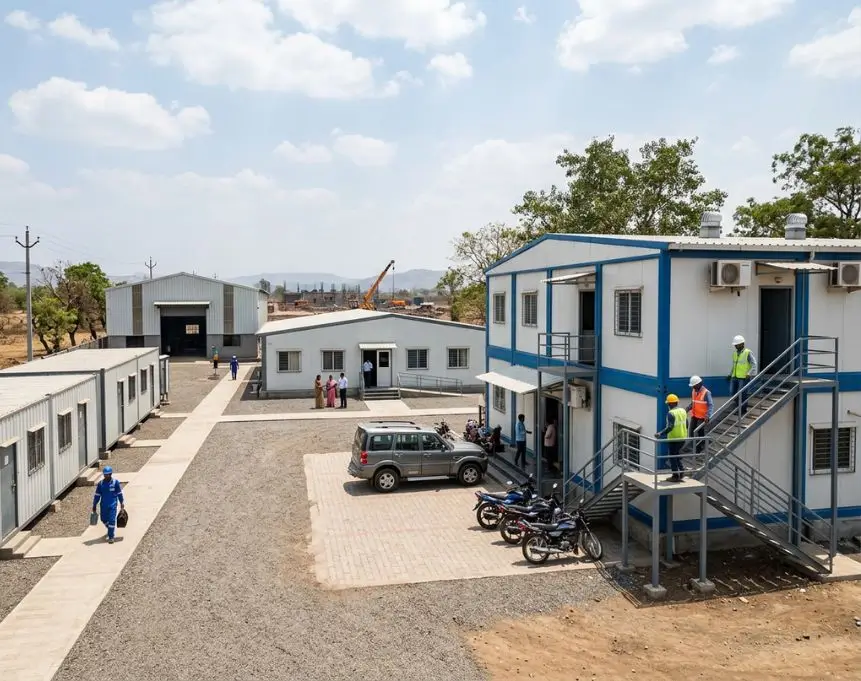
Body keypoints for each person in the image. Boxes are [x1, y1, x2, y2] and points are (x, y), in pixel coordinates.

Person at [655, 394, 688, 482]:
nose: (668, 406)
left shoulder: (671, 413)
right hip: (683, 437)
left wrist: (660, 433)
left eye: (669, 404)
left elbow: (670, 427)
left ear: (671, 404)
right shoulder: (683, 411)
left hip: (674, 438)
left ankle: (675, 475)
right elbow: (687, 424)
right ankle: (681, 472)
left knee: (672, 456)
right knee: (676, 454)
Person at [92, 466, 125, 544]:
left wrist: (121, 502)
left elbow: (119, 493)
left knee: (112, 520)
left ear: (111, 474)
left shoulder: (115, 483)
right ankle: (110, 528)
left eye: (108, 474)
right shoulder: (100, 484)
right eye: (105, 475)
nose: (106, 476)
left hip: (113, 505)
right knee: (103, 519)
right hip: (103, 505)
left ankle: (111, 537)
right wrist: (94, 505)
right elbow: (97, 495)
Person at [728, 335, 757, 416]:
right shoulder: (735, 354)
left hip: (744, 378)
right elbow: (734, 365)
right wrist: (730, 374)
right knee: (733, 393)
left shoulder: (748, 352)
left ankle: (743, 409)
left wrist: (749, 373)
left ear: (742, 344)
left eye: (736, 344)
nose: (735, 346)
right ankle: (739, 406)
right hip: (735, 376)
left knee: (742, 394)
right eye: (735, 345)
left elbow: (754, 364)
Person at [686, 375, 713, 454]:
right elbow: (693, 403)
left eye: (694, 385)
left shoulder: (706, 393)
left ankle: (699, 448)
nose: (693, 387)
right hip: (695, 416)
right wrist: (687, 409)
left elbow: (710, 405)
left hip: (702, 417)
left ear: (699, 384)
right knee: (691, 433)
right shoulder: (694, 391)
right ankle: (696, 447)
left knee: (699, 432)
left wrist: (708, 416)